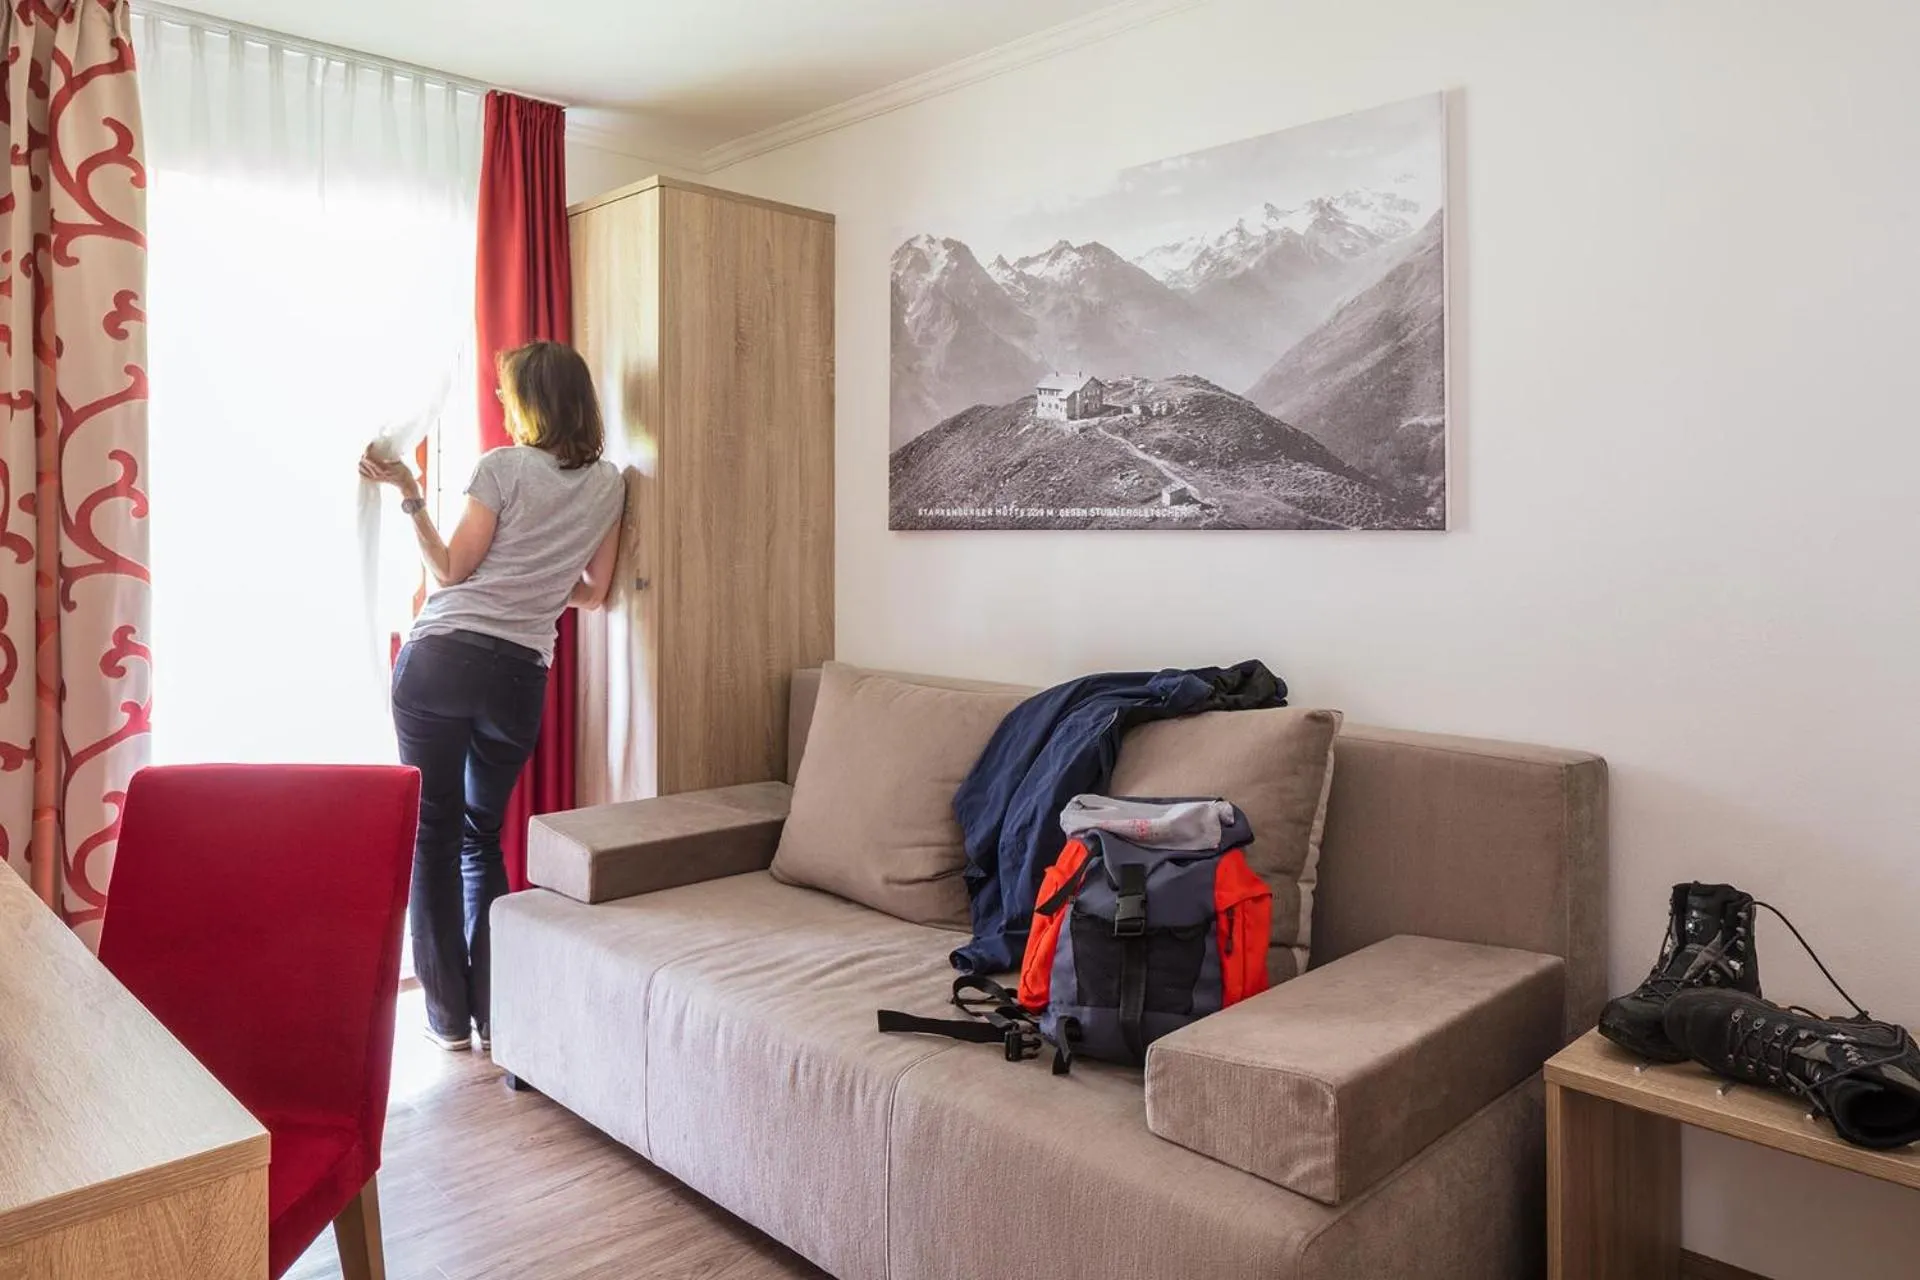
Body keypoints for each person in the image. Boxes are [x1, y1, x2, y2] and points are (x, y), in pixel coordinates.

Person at [359, 341, 624, 1050]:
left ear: (532, 403)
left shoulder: (502, 467)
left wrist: (411, 499)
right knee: (481, 837)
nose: (504, 407)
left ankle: (446, 1020)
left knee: (434, 836)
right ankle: (495, 1012)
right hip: (518, 681)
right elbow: (594, 595)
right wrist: (538, 573)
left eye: (508, 397)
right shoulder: (609, 484)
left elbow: (449, 570)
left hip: (443, 662)